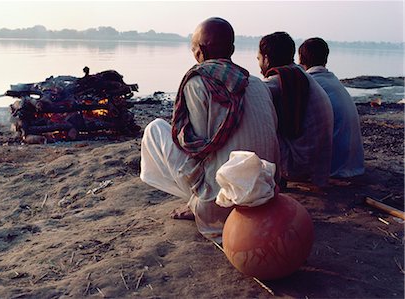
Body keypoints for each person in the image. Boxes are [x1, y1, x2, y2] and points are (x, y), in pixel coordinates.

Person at [140, 17, 280, 242]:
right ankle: (201, 201)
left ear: (199, 52)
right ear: (232, 50)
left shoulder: (198, 82)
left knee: (155, 130)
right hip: (266, 194)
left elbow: (197, 149)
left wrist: (198, 202)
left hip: (221, 205)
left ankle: (198, 204)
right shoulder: (256, 83)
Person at [257, 32, 334, 187]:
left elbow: (251, 95)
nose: (259, 65)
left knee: (253, 118)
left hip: (300, 165)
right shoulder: (299, 74)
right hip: (318, 166)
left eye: (259, 59)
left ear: (266, 58)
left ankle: (271, 180)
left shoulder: (280, 80)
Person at [299, 37, 365, 178]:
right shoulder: (331, 80)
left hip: (334, 168)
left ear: (300, 59)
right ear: (326, 59)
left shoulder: (311, 83)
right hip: (354, 164)